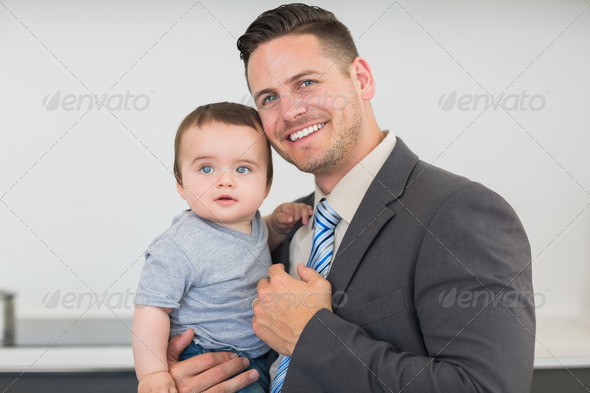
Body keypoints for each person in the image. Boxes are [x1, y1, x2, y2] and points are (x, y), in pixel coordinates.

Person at [161, 4, 535, 393]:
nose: (291, 110)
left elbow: (487, 388)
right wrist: (191, 372)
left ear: (361, 79)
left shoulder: (461, 212)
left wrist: (313, 337)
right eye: (269, 97)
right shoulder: (282, 229)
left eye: (306, 82)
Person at [132, 102, 311, 393]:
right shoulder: (178, 246)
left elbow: (249, 249)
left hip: (260, 353)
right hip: (208, 355)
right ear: (180, 183)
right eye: (206, 168)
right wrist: (152, 373)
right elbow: (150, 310)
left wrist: (276, 227)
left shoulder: (252, 222)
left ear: (266, 185)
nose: (224, 181)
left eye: (242, 168)